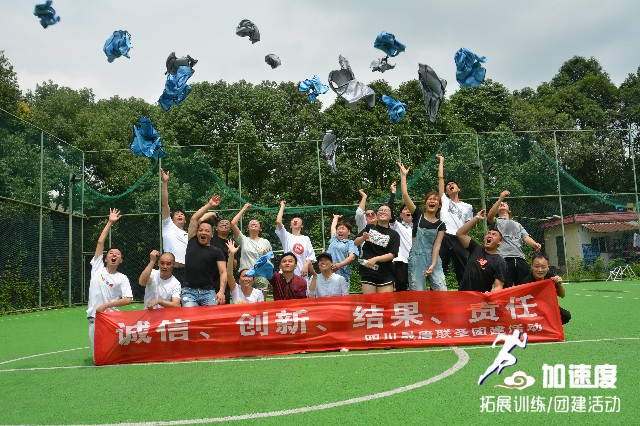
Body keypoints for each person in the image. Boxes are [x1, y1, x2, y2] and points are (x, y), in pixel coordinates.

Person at [86, 208, 133, 356]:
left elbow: (128, 299)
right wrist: (110, 222)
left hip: (112, 320)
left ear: (120, 260)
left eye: (117, 254)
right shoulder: (97, 267)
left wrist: (107, 305)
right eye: (111, 253)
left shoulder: (122, 278)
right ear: (105, 258)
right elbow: (100, 241)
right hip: (95, 318)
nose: (113, 255)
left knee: (117, 355)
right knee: (98, 357)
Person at [161, 168, 216, 284]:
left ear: (185, 220)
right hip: (171, 270)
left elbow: (197, 219)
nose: (180, 215)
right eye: (177, 214)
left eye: (182, 214)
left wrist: (210, 209)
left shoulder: (189, 234)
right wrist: (165, 183)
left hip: (188, 270)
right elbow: (165, 204)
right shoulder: (167, 226)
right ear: (171, 218)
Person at [399, 163, 447, 291]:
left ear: (439, 206)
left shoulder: (441, 224)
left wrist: (433, 264)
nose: (432, 201)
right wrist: (403, 176)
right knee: (418, 291)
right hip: (416, 258)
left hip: (434, 258)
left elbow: (437, 246)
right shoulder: (417, 215)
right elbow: (405, 194)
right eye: (429, 199)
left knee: (441, 290)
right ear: (425, 204)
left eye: (435, 200)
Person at [487, 190, 542, 287]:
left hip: (520, 258)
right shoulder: (496, 222)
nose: (502, 204)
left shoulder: (518, 224)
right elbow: (490, 216)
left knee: (525, 288)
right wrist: (501, 198)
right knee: (505, 288)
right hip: (504, 258)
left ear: (509, 210)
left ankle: (525, 303)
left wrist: (534, 244)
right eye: (500, 204)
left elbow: (525, 237)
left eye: (504, 204)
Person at [182, 194, 227, 307]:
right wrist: (209, 205)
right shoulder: (192, 241)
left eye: (207, 231)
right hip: (189, 292)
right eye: (201, 230)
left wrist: (221, 291)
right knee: (191, 319)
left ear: (212, 234)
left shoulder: (217, 252)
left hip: (208, 292)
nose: (203, 232)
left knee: (211, 321)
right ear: (196, 232)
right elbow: (194, 218)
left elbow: (223, 272)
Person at [437, 154, 473, 284]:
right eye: (448, 185)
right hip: (444, 236)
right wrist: (442, 161)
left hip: (459, 238)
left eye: (453, 184)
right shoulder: (444, 200)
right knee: (439, 269)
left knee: (462, 269)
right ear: (446, 191)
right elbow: (440, 178)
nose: (450, 184)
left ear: (459, 189)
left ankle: (465, 296)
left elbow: (468, 224)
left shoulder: (467, 207)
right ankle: (437, 297)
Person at [456, 209, 508, 292]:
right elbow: (460, 233)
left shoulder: (500, 262)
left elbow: (498, 287)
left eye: (494, 235)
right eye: (488, 233)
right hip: (462, 296)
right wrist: (476, 218)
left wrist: (490, 294)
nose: (490, 236)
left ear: (499, 242)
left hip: (480, 300)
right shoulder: (476, 248)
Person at [353, 204, 401, 294]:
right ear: (377, 215)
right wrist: (363, 238)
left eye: (386, 210)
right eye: (380, 210)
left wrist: (375, 259)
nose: (383, 211)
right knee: (370, 303)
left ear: (391, 216)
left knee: (385, 303)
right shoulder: (369, 227)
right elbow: (355, 242)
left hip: (386, 273)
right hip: (368, 271)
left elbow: (392, 254)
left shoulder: (394, 234)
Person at [230, 203, 272, 299]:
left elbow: (269, 263)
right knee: (245, 302)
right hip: (246, 275)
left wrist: (265, 256)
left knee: (261, 304)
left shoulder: (265, 242)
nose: (254, 223)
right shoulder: (244, 239)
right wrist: (244, 208)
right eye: (251, 223)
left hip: (261, 275)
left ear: (260, 228)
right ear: (248, 228)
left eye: (256, 223)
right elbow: (233, 223)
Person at [520, 253, 571, 324]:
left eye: (543, 267)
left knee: (566, 315)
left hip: (548, 307)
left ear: (548, 267)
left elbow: (562, 295)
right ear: (532, 266)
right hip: (533, 310)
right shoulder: (526, 282)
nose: (540, 270)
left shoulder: (550, 277)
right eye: (537, 266)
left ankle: (551, 329)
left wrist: (559, 285)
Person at [275, 200, 316, 277]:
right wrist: (282, 207)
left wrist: (306, 266)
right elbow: (278, 221)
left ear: (302, 225)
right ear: (290, 226)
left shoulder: (306, 239)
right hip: (286, 275)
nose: (295, 220)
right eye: (293, 220)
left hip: (301, 274)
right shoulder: (286, 236)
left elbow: (310, 256)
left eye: (298, 219)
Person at [388, 180, 414, 292]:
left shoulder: (419, 226)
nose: (408, 210)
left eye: (410, 208)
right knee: (401, 286)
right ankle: (401, 308)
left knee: (415, 288)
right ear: (400, 214)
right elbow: (389, 212)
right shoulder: (397, 226)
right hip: (400, 261)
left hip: (416, 261)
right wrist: (393, 193)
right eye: (405, 208)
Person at [210, 218, 240, 304]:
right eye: (221, 223)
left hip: (224, 280)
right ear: (216, 228)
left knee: (223, 305)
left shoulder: (232, 244)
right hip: (209, 278)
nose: (224, 224)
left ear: (230, 228)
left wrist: (231, 254)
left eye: (227, 223)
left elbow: (234, 266)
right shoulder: (210, 240)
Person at [327, 214, 359, 286]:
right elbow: (333, 228)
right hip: (328, 274)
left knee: (342, 297)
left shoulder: (351, 243)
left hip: (342, 275)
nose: (340, 231)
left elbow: (352, 257)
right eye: (338, 229)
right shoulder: (334, 240)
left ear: (349, 232)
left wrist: (340, 265)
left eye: (343, 228)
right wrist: (335, 217)